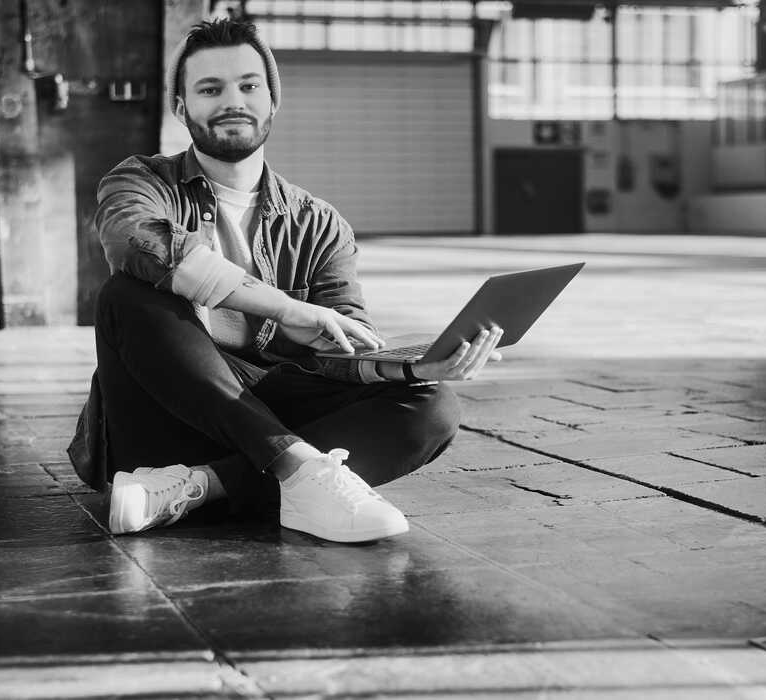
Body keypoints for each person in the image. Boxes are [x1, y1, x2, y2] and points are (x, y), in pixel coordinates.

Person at [82, 18, 503, 543]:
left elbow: (340, 346)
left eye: (249, 85)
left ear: (272, 100)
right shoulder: (140, 180)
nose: (232, 100)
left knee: (432, 405)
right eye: (210, 89)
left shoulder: (318, 223)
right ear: (181, 107)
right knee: (129, 294)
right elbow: (135, 242)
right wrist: (287, 308)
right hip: (165, 418)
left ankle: (201, 488)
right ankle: (303, 473)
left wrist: (407, 368)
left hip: (249, 424)